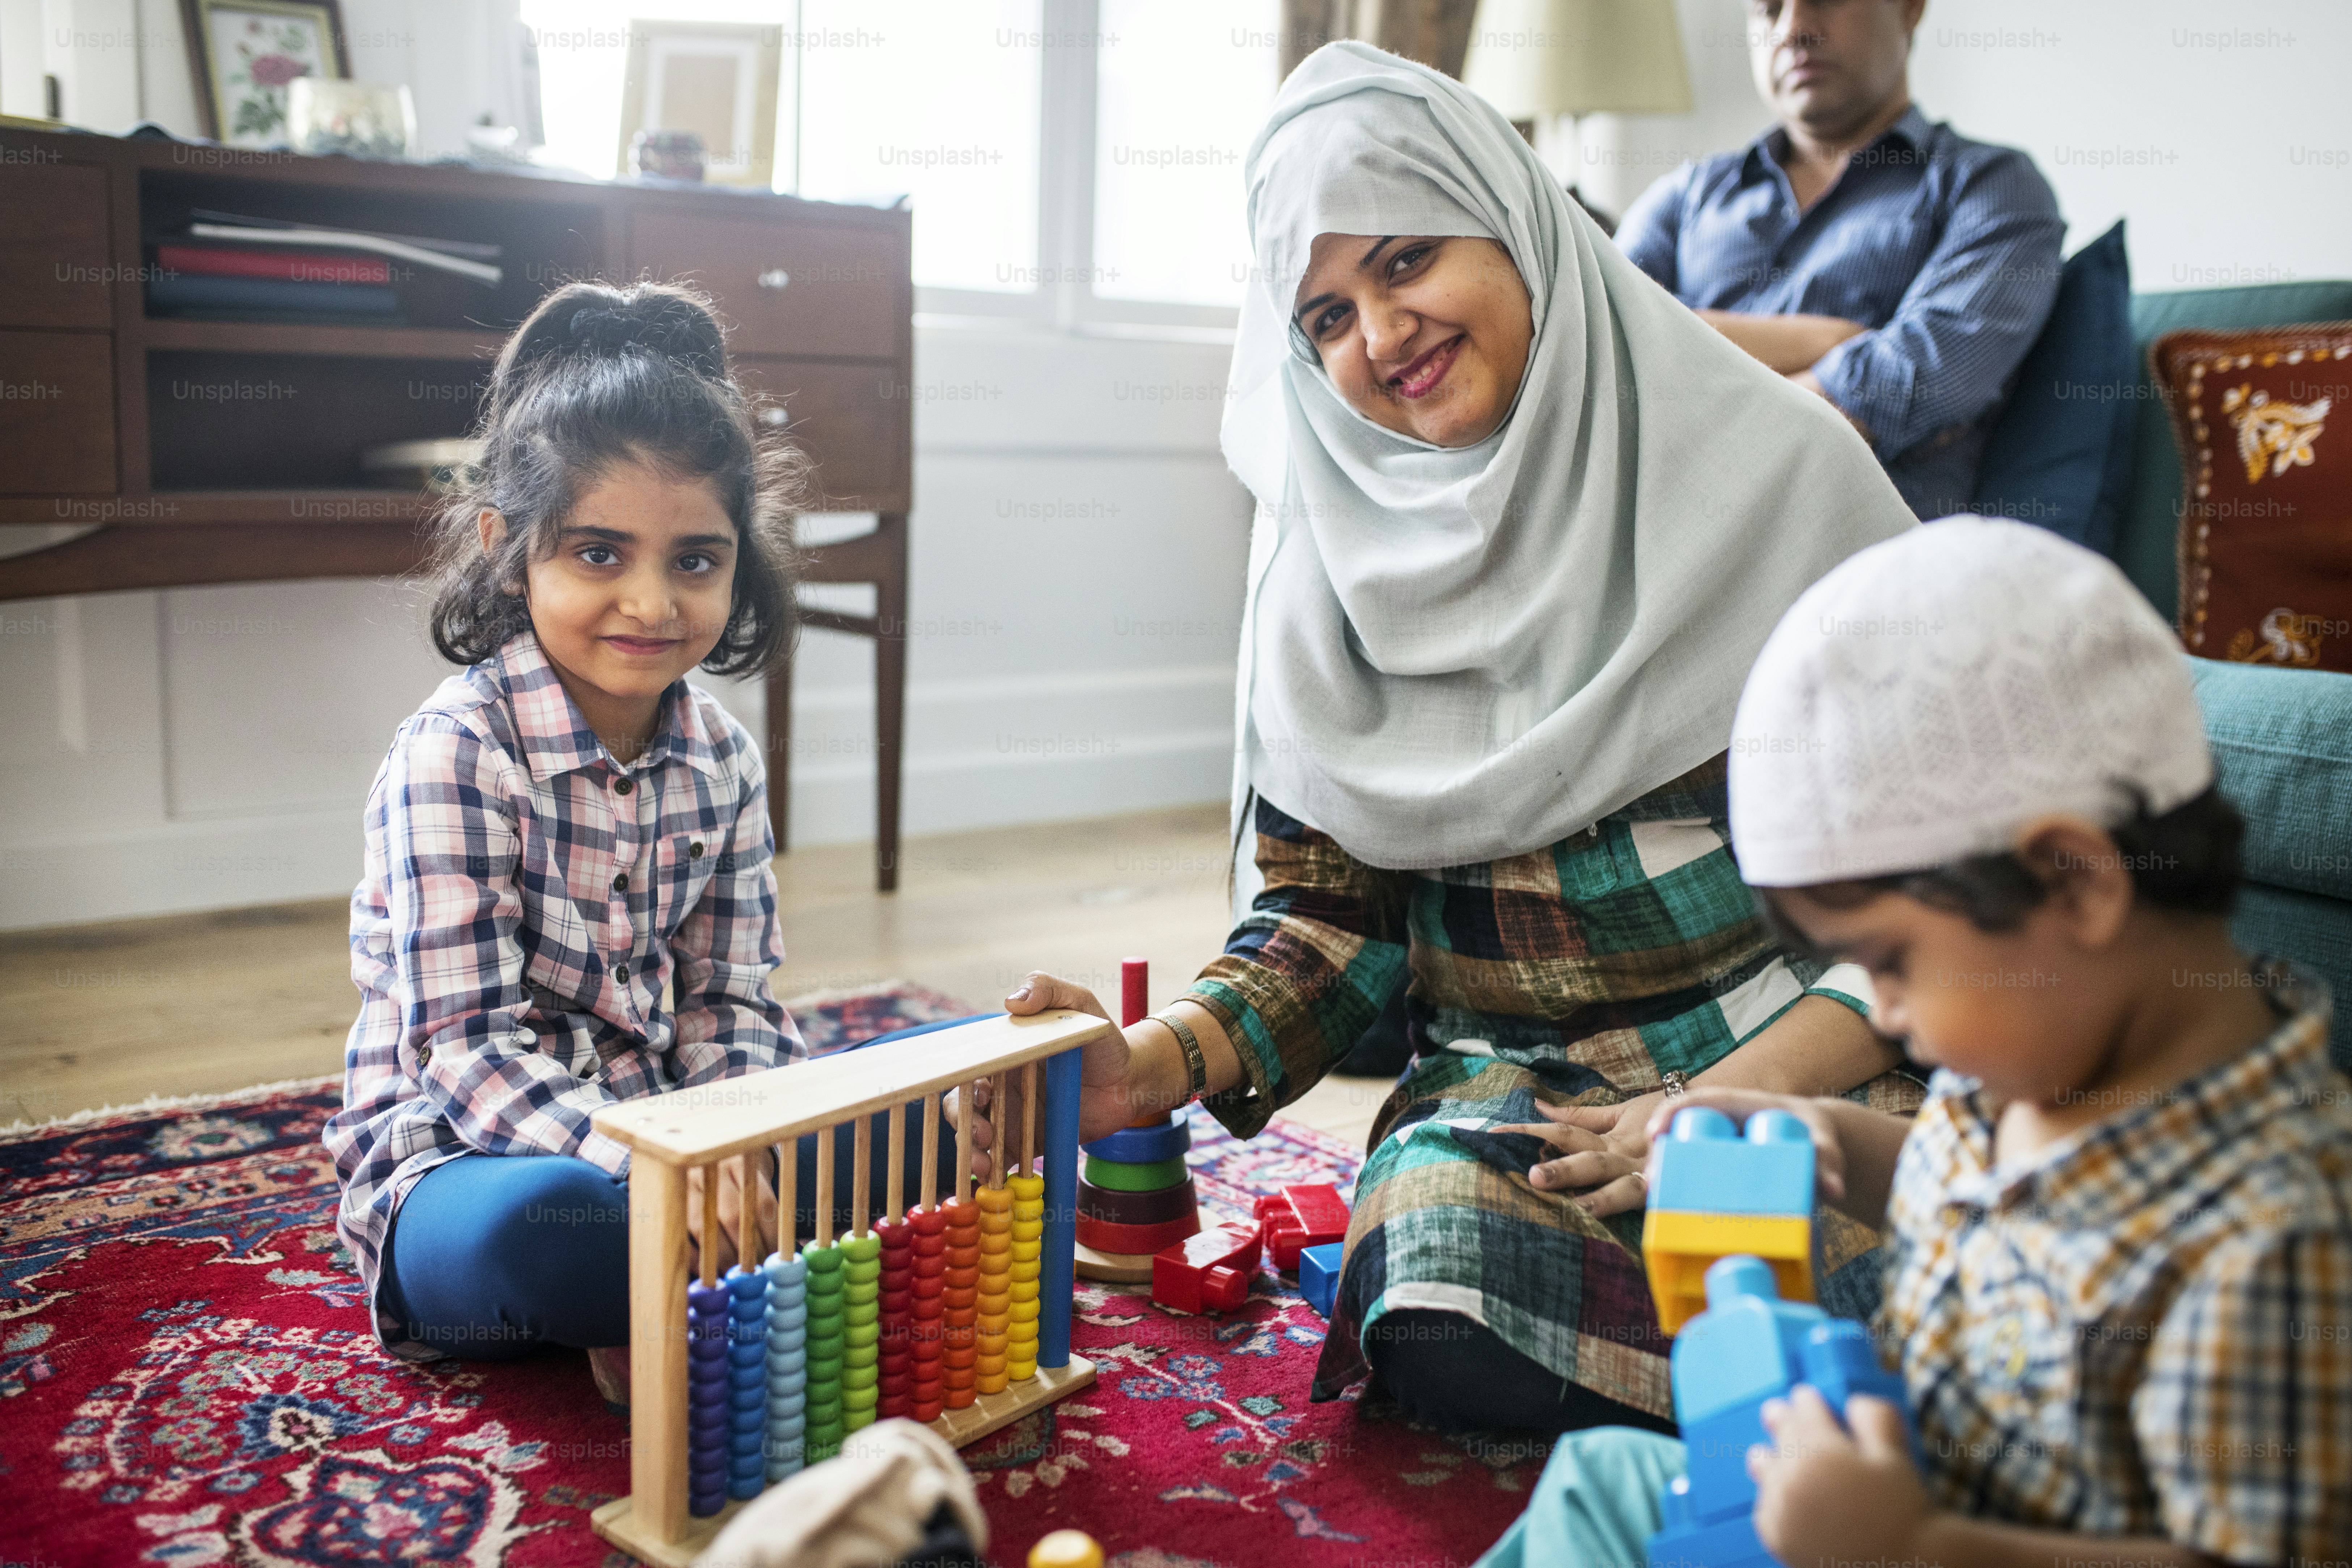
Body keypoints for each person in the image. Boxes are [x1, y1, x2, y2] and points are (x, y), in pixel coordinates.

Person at [1007, 41, 1923, 1437]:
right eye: (1322, 316)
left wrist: (1720, 1106)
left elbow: (1941, 904)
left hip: (1803, 1050)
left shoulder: (1785, 479)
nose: (1379, 336)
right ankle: (1825, 1395)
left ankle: (1841, 1371)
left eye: (1406, 260)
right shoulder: (1317, 585)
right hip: (1527, 1092)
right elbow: (1328, 926)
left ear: (1517, 222)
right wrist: (1149, 1064)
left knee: (1991, 1191)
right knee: (1429, 1279)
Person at [1475, 517, 2352, 1565]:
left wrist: (1912, 1544)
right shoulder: (2037, 1057)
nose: (1881, 1011)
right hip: (1909, 1483)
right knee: (1605, 1485)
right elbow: (1962, 1181)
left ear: (2076, 885)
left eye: (1890, 960)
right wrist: (1822, 1135)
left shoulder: (2268, 1237)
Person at [322, 283, 978, 1398]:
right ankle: (679, 1267)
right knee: (543, 1235)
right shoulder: (456, 753)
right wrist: (669, 1166)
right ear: (506, 546)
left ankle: (690, 1270)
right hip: (478, 1167)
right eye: (596, 553)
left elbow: (731, 1006)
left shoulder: (720, 756)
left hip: (691, 1141)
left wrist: (750, 1138)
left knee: (972, 1082)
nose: (650, 600)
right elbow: (469, 1056)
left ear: (739, 562)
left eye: (693, 560)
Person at [1613, 0, 2064, 520]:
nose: (1794, 29)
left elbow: (1902, 384)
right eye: (1768, 10)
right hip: (1656, 540)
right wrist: (1830, 341)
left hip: (1855, 559)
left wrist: (1677, 363)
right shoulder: (1682, 199)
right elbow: (1602, 347)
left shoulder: (1992, 189)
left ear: (1910, 8)